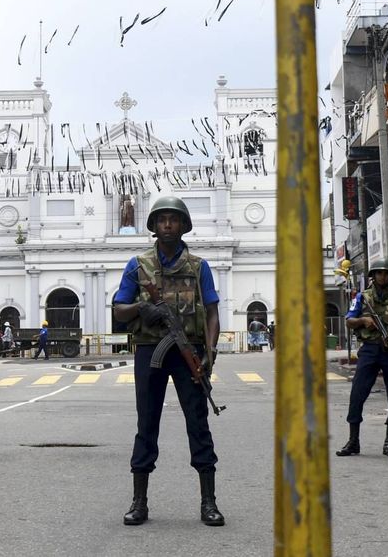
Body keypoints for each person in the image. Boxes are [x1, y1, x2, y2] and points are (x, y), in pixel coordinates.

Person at [113, 195, 224, 527]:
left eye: (173, 219)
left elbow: (213, 312)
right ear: (154, 226)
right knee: (146, 424)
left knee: (198, 423)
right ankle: (139, 502)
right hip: (150, 351)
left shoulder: (198, 266)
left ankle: (209, 502)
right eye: (161, 220)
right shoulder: (138, 265)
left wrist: (210, 353)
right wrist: (142, 308)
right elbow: (119, 309)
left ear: (183, 225)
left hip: (188, 350)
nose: (167, 225)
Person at [336, 258, 388, 458]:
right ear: (373, 276)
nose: (383, 276)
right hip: (369, 350)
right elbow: (349, 320)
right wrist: (364, 320)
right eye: (379, 273)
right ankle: (353, 441)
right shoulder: (362, 298)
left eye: (386, 273)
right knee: (357, 394)